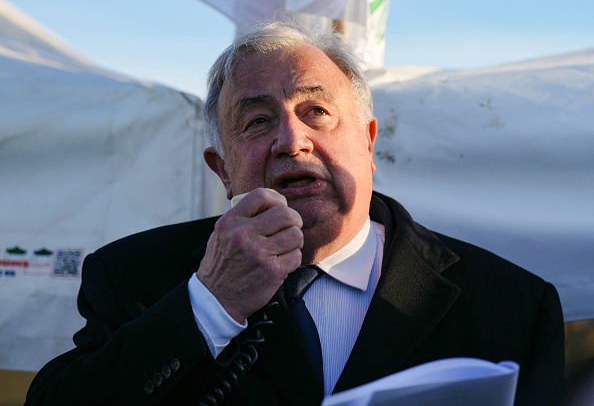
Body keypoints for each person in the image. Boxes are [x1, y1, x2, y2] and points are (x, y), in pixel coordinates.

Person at [26, 20, 564, 405]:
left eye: (317, 112)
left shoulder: (511, 302)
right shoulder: (132, 276)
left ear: (369, 144)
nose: (292, 141)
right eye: (258, 121)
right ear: (222, 169)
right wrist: (210, 305)